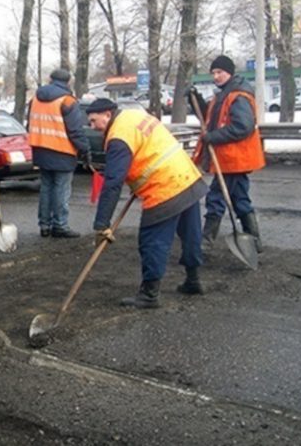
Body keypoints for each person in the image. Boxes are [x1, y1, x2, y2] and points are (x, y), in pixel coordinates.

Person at [85, 98, 208, 308]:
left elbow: (113, 183)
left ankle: (149, 294)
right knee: (191, 234)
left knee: (152, 241)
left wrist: (101, 224)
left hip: (165, 187)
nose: (93, 127)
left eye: (94, 121)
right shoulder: (135, 116)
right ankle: (193, 279)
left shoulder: (118, 136)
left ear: (107, 114)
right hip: (188, 178)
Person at [190, 55, 265, 251]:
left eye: (219, 72)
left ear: (229, 72)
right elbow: (211, 116)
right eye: (213, 72)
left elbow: (243, 127)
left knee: (216, 198)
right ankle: (254, 241)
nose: (216, 76)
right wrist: (195, 100)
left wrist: (213, 137)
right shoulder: (223, 94)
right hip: (229, 159)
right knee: (239, 199)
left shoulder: (238, 96)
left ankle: (206, 242)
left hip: (234, 158)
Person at [27, 68, 91, 238]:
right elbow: (75, 130)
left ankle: (45, 225)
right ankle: (60, 225)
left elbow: (30, 124)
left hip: (41, 149)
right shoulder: (68, 101)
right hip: (62, 151)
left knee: (46, 188)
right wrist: (85, 150)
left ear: (50, 79)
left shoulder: (35, 99)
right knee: (61, 190)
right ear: (68, 82)